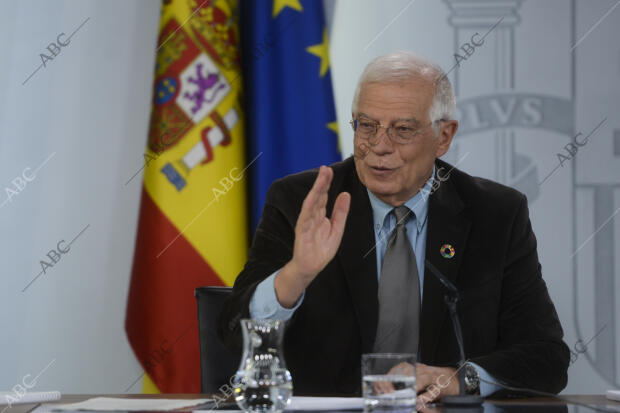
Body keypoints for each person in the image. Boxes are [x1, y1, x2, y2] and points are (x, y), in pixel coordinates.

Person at [217, 51, 569, 400]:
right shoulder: (302, 202)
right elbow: (232, 332)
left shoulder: (496, 214)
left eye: (402, 130)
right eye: (367, 126)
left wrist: (459, 379)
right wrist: (295, 275)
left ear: (443, 137)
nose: (379, 147)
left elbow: (547, 357)